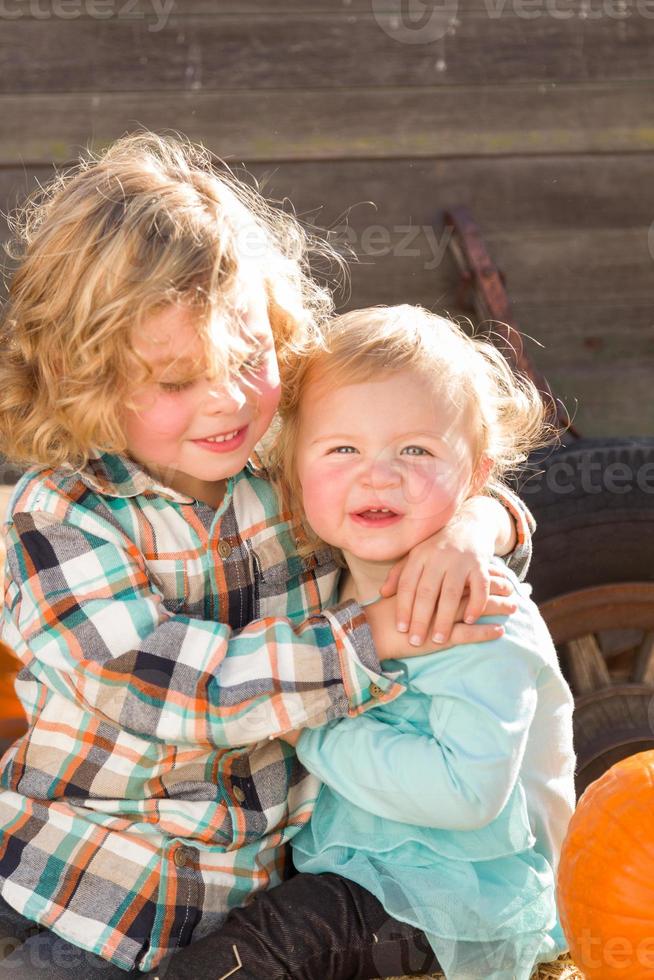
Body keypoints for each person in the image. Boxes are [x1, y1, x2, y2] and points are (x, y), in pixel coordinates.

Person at [0, 135, 532, 978]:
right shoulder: (58, 518)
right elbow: (174, 690)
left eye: (250, 358)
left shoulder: (289, 463)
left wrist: (479, 523)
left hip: (260, 898)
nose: (228, 399)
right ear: (78, 374)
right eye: (178, 382)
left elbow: (415, 481)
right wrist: (371, 636)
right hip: (92, 891)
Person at [158, 305, 576, 980]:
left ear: (476, 474)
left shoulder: (477, 614)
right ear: (292, 474)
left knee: (231, 965)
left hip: (445, 900)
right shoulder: (324, 573)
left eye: (415, 450)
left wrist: (305, 729)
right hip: (359, 867)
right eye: (343, 449)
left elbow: (465, 793)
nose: (378, 475)